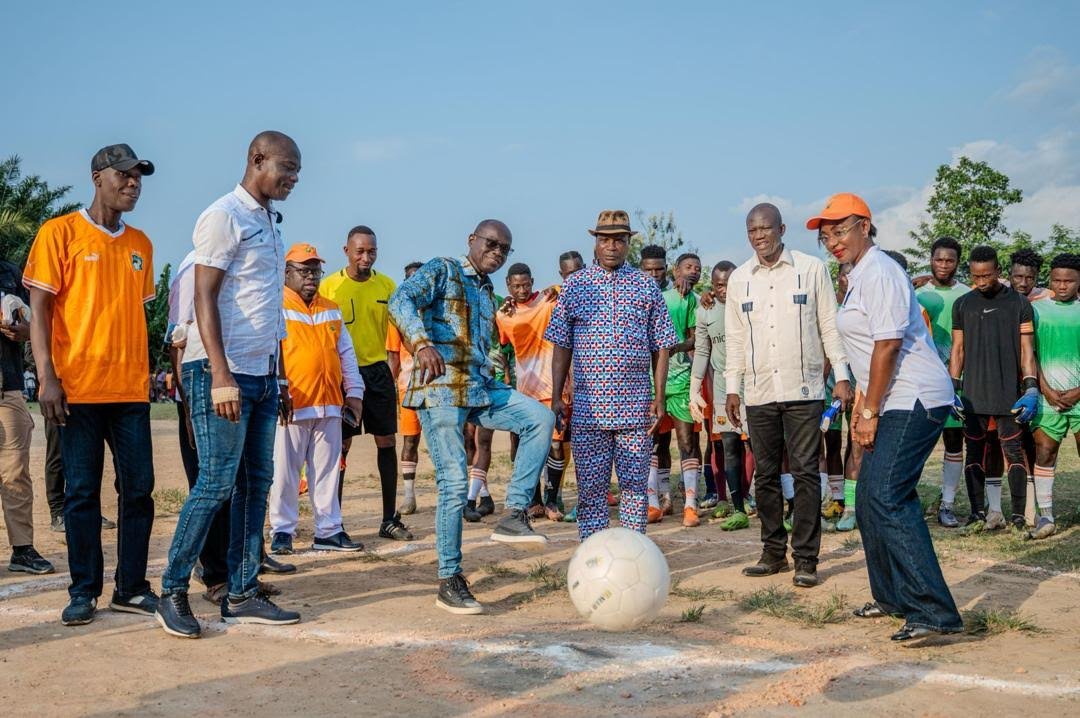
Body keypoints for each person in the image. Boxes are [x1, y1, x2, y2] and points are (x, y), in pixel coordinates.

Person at [156, 131, 303, 638]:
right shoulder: (224, 215)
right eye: (286, 168)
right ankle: (172, 589)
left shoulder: (267, 220)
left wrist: (278, 374)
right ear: (256, 159)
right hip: (221, 371)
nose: (292, 179)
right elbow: (204, 297)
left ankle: (241, 592)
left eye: (297, 172)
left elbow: (266, 308)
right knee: (216, 482)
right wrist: (220, 373)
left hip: (261, 374)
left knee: (255, 483)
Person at [814, 193, 963, 642]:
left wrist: (871, 410)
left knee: (887, 496)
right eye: (826, 236)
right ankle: (892, 597)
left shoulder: (880, 271)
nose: (833, 242)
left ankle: (934, 613)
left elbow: (888, 346)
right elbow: (864, 353)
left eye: (841, 231)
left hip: (913, 397)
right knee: (869, 501)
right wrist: (863, 409)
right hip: (888, 397)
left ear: (864, 225)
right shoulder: (858, 276)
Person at [389, 219, 553, 615]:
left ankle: (514, 514)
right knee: (454, 481)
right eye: (491, 244)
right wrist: (422, 342)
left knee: (539, 419)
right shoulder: (443, 269)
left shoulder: (488, 291)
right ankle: (450, 578)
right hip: (442, 387)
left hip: (480, 386)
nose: (496, 253)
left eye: (504, 249)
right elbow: (399, 300)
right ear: (472, 241)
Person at [24, 143, 158, 625]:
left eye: (138, 177)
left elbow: (129, 315)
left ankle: (132, 587)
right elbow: (39, 309)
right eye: (123, 175)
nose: (133, 183)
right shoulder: (59, 233)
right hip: (75, 390)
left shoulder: (141, 244)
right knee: (81, 493)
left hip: (130, 392)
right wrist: (47, 377)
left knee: (139, 489)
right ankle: (84, 589)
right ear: (97, 176)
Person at [724, 202, 853, 589]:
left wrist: (842, 376)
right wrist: (733, 388)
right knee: (764, 475)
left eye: (765, 228)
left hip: (805, 390)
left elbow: (830, 326)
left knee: (804, 473)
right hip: (759, 392)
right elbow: (735, 339)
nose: (759, 236)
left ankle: (807, 559)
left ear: (781, 229)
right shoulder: (739, 279)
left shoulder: (810, 269)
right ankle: (772, 551)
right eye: (752, 230)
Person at [547, 210, 678, 540]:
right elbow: (561, 344)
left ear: (629, 242)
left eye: (619, 239)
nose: (612, 246)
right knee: (591, 491)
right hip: (589, 411)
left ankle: (633, 554)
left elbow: (661, 345)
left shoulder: (646, 287)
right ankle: (593, 556)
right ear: (595, 242)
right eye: (605, 239)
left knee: (635, 490)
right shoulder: (575, 286)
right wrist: (557, 397)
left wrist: (659, 397)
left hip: (635, 408)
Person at [269, 243, 366, 554]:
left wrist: (354, 392)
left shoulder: (330, 308)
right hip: (292, 404)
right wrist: (276, 390)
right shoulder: (276, 305)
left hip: (329, 403)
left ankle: (329, 529)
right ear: (286, 273)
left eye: (315, 270)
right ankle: (282, 530)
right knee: (285, 472)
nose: (311, 276)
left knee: (326, 471)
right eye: (303, 270)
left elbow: (346, 353)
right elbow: (271, 354)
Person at [320, 226, 412, 540]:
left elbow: (403, 328)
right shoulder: (328, 287)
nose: (366, 257)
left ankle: (389, 519)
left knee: (386, 441)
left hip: (377, 374)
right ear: (346, 250)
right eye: (359, 251)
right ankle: (334, 523)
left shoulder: (387, 286)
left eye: (371, 251)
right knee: (339, 446)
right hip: (343, 376)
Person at [949, 245, 1039, 533]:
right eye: (976, 276)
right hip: (973, 395)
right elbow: (958, 349)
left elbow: (1027, 350)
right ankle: (978, 513)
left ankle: (1017, 516)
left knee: (1013, 452)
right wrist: (953, 388)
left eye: (987, 275)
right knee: (974, 452)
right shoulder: (962, 304)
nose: (981, 281)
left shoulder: (1020, 304)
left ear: (998, 272)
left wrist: (1031, 386)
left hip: (1008, 394)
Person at [496, 262, 571, 521]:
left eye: (526, 284)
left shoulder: (548, 300)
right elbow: (500, 344)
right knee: (531, 447)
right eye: (516, 286)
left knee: (556, 446)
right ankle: (535, 500)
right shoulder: (504, 315)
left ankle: (552, 500)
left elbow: (571, 284)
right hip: (525, 390)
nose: (521, 289)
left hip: (554, 386)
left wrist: (556, 288)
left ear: (532, 281)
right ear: (508, 285)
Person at [1, 259, 53, 575]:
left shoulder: (9, 271)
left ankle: (22, 549)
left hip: (8, 386)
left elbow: (33, 321)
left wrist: (22, 331)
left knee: (15, 473)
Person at [689, 260, 750, 531]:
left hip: (754, 385)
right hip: (724, 388)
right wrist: (694, 387)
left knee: (759, 446)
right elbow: (702, 351)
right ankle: (737, 508)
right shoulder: (707, 310)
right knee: (728, 446)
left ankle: (760, 498)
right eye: (717, 285)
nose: (723, 289)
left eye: (727, 284)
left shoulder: (751, 301)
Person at [914, 236, 970, 528]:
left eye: (950, 260)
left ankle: (947, 504)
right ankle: (908, 501)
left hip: (956, 379)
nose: (944, 265)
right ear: (931, 259)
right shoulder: (919, 293)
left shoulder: (967, 294)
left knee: (953, 442)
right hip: (922, 381)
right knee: (917, 443)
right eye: (939, 259)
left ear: (958, 262)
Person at [649, 251, 704, 527]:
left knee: (686, 442)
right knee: (655, 443)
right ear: (675, 270)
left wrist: (676, 347)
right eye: (687, 267)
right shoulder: (651, 296)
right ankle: (655, 502)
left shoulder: (691, 300)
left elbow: (695, 338)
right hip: (650, 383)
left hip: (681, 380)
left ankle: (691, 505)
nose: (692, 271)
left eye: (697, 268)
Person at [1028, 253, 1080, 539]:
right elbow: (1029, 354)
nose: (1062, 286)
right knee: (1045, 452)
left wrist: (1077, 392)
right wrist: (1045, 389)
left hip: (1079, 396)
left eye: (1069, 281)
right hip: (1048, 396)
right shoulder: (1036, 310)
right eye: (1057, 280)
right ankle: (1045, 514)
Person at [387, 261, 424, 515]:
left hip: (439, 387)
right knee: (409, 441)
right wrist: (390, 389)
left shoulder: (439, 310)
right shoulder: (397, 314)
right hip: (408, 387)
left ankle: (463, 496)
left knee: (447, 441)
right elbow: (393, 357)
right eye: (410, 279)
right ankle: (409, 496)